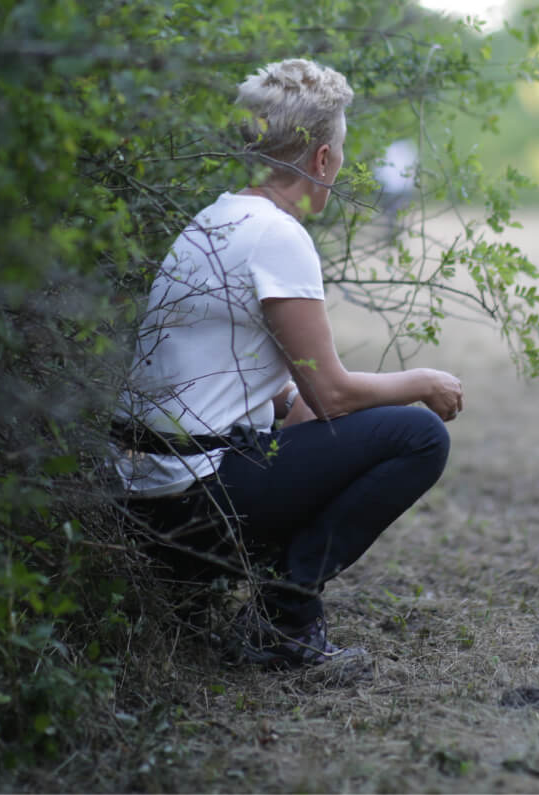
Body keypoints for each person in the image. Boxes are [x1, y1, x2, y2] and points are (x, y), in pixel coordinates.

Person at [111, 59, 464, 671]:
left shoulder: (215, 218)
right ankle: (284, 620)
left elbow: (265, 388)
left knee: (328, 426)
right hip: (188, 504)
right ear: (323, 160)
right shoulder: (277, 236)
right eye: (341, 152)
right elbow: (332, 396)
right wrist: (422, 382)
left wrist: (304, 411)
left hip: (140, 497)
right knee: (419, 436)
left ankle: (218, 596)